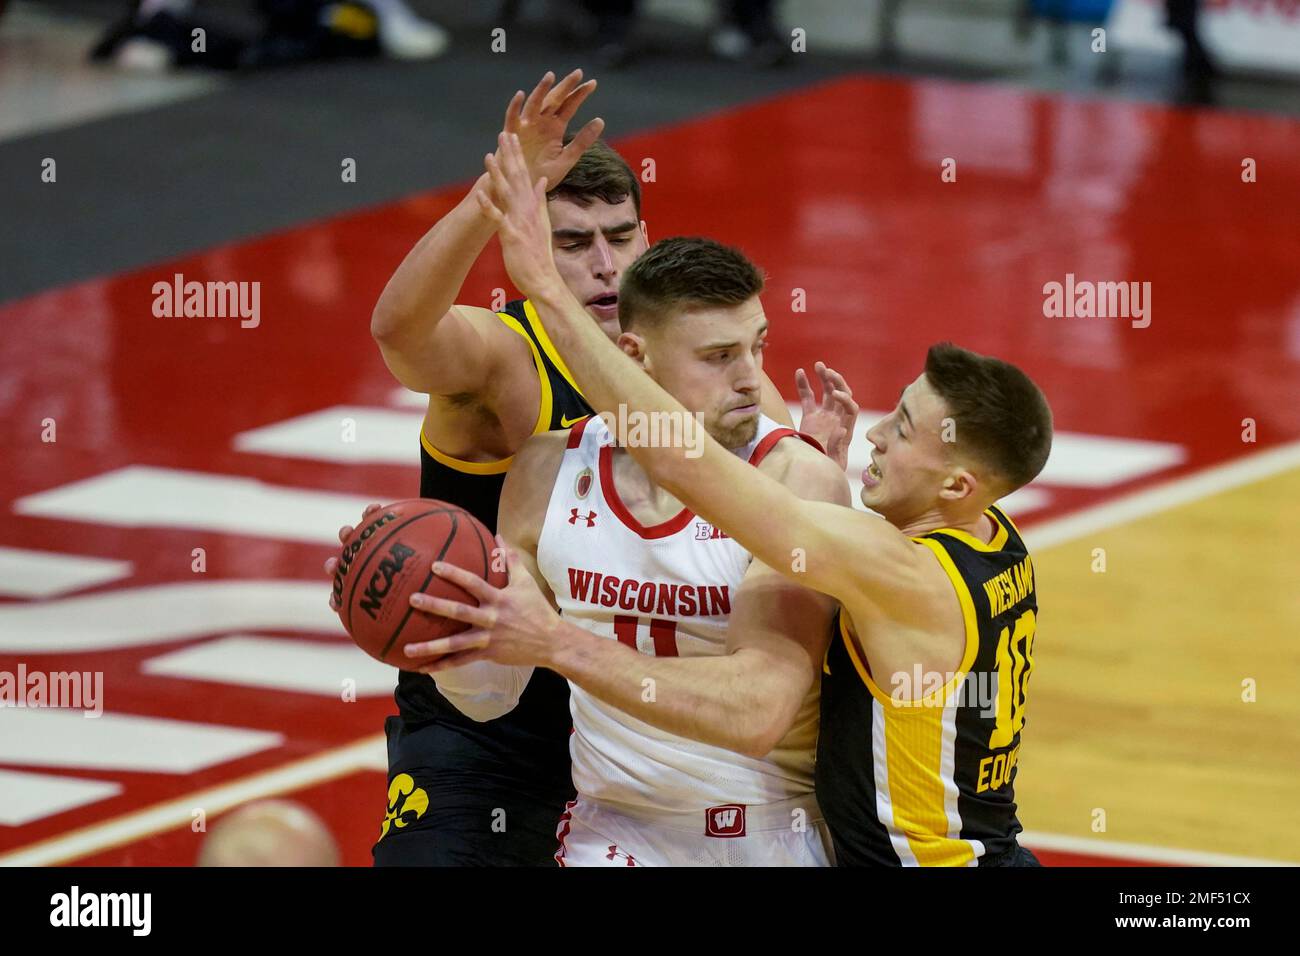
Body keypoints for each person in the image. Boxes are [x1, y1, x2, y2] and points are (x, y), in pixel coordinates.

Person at [416, 131, 1054, 866]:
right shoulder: (992, 538)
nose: (876, 435)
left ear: (958, 486)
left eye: (904, 430)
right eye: (722, 355)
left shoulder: (885, 560)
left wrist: (549, 294)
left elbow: (689, 469)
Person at [326, 71, 827, 866]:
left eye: (620, 236)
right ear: (528, 245)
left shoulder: (707, 368)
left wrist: (818, 466)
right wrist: (493, 198)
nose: (604, 264)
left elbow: (781, 513)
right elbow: (399, 331)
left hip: (633, 713)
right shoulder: (508, 356)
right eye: (570, 241)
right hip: (486, 712)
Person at [406, 236, 852, 866]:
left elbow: (759, 709)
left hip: (766, 833)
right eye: (719, 356)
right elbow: (490, 694)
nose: (751, 378)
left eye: (758, 345)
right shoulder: (545, 470)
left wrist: (560, 644)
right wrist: (432, 613)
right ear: (634, 357)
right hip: (615, 835)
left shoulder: (799, 483)